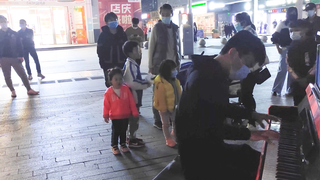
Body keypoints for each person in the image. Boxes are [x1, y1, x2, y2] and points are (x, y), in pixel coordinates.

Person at [175, 31, 280, 180]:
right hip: (200, 160)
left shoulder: (209, 68)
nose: (247, 71)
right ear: (233, 52)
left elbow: (218, 107)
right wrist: (249, 134)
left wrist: (251, 114)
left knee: (253, 157)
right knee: (260, 169)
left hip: (207, 147)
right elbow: (211, 127)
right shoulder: (207, 79)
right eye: (247, 65)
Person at [148, 4, 181, 130]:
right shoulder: (156, 28)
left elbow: (178, 47)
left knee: (173, 91)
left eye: (168, 14)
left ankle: (171, 118)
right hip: (159, 65)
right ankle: (158, 119)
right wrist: (151, 65)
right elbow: (151, 48)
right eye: (164, 14)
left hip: (173, 65)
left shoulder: (175, 28)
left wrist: (179, 63)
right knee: (158, 92)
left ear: (172, 14)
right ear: (160, 14)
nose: (166, 16)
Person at [0, 15, 39, 97]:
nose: (3, 24)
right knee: (7, 76)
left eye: (4, 21)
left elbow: (19, 45)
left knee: (22, 74)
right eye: (1, 22)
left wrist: (21, 55)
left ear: (7, 22)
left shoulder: (14, 33)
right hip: (3, 58)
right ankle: (12, 91)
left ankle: (29, 89)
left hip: (15, 57)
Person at [103, 67, 139, 155]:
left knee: (123, 130)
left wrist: (134, 112)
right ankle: (114, 145)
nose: (119, 81)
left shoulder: (125, 89)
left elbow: (131, 101)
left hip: (125, 115)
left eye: (120, 79)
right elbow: (106, 105)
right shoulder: (108, 92)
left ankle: (123, 144)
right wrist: (105, 114)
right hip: (115, 116)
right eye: (116, 79)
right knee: (115, 131)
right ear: (111, 80)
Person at [122, 41, 151, 148]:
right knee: (133, 119)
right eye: (136, 49)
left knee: (134, 118)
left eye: (139, 49)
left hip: (134, 96)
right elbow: (132, 83)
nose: (139, 51)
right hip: (132, 98)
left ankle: (131, 136)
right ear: (130, 53)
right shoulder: (130, 65)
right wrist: (147, 83)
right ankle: (131, 138)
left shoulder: (132, 63)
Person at [287, 20, 317, 105]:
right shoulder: (293, 46)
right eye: (291, 31)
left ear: (306, 29)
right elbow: (289, 65)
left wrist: (307, 79)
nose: (293, 33)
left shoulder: (314, 45)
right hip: (298, 85)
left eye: (296, 30)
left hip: (313, 83)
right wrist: (298, 79)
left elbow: (316, 64)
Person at [153, 60, 181, 147]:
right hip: (163, 108)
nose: (175, 70)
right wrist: (163, 109)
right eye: (173, 69)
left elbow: (178, 92)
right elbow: (160, 97)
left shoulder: (174, 80)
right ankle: (168, 139)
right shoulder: (160, 83)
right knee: (165, 124)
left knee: (175, 121)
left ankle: (174, 132)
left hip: (173, 105)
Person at [271, 7, 297, 96]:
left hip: (295, 49)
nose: (292, 14)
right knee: (282, 70)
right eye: (291, 12)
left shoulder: (297, 24)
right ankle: (276, 89)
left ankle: (290, 89)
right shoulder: (282, 24)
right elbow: (274, 36)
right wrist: (277, 47)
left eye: (294, 13)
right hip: (285, 49)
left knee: (292, 70)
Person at [97, 12, 127, 88]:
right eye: (111, 20)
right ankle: (111, 99)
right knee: (110, 83)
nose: (113, 21)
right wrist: (102, 62)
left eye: (115, 19)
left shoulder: (122, 34)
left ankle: (120, 99)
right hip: (107, 64)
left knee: (121, 83)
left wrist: (126, 60)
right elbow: (100, 51)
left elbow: (127, 48)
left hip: (121, 63)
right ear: (106, 22)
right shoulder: (103, 35)